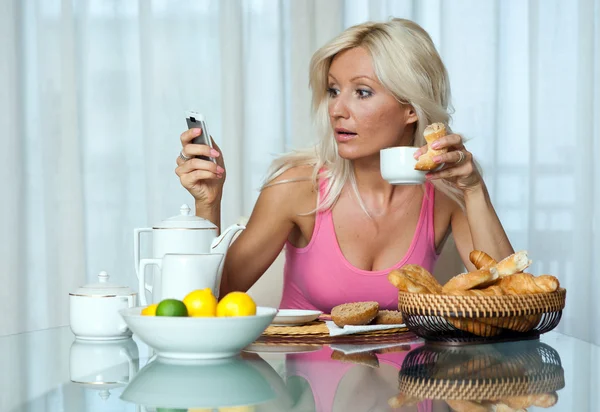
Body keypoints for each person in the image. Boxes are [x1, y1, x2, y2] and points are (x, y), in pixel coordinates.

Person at [175, 18, 514, 313]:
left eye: (362, 92)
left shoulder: (445, 192)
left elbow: (512, 303)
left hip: (410, 383)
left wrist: (474, 191)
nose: (336, 109)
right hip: (310, 386)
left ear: (411, 108)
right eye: (333, 90)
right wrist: (208, 204)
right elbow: (207, 300)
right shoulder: (296, 187)